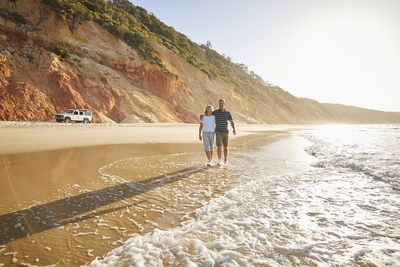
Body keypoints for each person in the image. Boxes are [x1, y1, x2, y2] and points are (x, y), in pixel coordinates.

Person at [212, 99, 236, 165]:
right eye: (220, 103)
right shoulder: (215, 112)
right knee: (219, 146)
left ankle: (225, 159)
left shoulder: (228, 113)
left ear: (224, 104)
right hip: (218, 132)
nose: (221, 104)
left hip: (225, 132)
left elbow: (231, 121)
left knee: (225, 147)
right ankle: (220, 160)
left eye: (222, 103)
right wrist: (202, 116)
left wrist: (234, 129)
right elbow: (208, 115)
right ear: (218, 104)